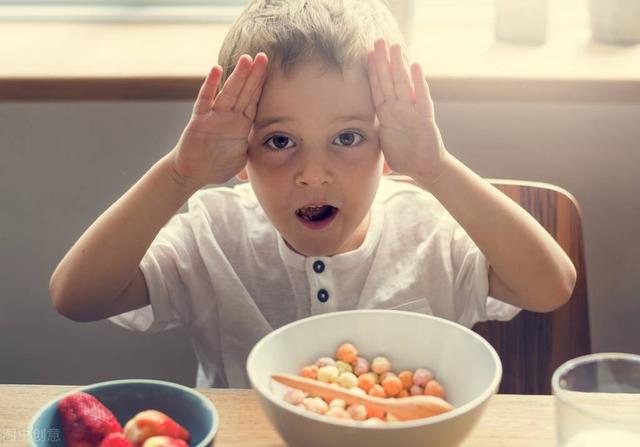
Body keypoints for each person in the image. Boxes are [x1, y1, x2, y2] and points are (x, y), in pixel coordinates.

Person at [49, 0, 576, 388]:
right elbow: (77, 298)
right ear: (240, 155)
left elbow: (549, 287)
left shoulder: (430, 232)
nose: (313, 174)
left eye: (348, 138)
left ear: (386, 147)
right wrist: (179, 177)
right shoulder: (214, 235)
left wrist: (436, 171)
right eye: (280, 141)